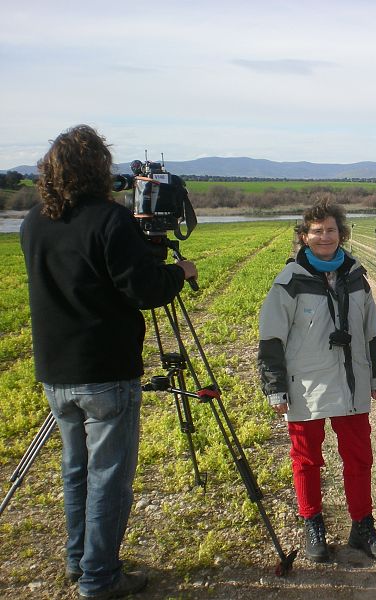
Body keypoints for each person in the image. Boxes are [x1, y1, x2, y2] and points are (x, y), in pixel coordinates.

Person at [20, 125, 198, 600]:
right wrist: (179, 272)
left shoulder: (34, 221)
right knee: (109, 478)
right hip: (104, 371)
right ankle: (99, 577)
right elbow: (145, 290)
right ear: (100, 168)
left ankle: (80, 560)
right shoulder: (109, 220)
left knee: (76, 469)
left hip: (55, 372)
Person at [257, 199, 376, 563]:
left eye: (331, 230)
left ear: (341, 234)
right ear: (304, 236)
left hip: (351, 383)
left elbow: (373, 330)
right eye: (316, 231)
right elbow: (271, 338)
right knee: (306, 460)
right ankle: (312, 522)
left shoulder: (356, 278)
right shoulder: (288, 282)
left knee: (359, 457)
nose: (325, 236)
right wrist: (275, 385)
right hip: (305, 387)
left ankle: (362, 525)